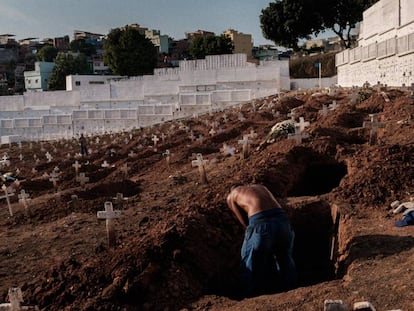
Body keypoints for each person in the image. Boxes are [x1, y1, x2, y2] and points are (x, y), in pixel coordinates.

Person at [226, 184, 297, 297]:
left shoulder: (232, 196)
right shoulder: (261, 187)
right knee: (284, 257)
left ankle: (249, 296)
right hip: (282, 222)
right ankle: (291, 289)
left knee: (250, 259)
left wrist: (251, 235)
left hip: (260, 223)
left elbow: (244, 222)